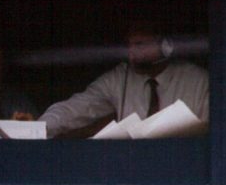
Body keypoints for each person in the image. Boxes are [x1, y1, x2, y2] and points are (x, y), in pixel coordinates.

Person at [40, 21, 209, 138]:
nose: (131, 53)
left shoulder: (198, 81)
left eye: (139, 45)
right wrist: (38, 129)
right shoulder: (119, 77)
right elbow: (75, 108)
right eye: (128, 45)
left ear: (166, 46)